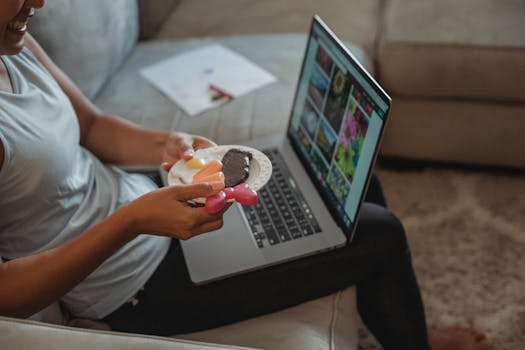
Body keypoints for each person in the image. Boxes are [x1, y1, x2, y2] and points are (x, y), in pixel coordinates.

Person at [0, 1, 493, 349]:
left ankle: (394, 323)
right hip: (132, 287)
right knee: (381, 233)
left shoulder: (16, 44)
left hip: (148, 202)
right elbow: (8, 295)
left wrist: (166, 144)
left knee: (341, 189)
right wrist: (133, 221)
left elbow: (91, 124)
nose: (38, 2)